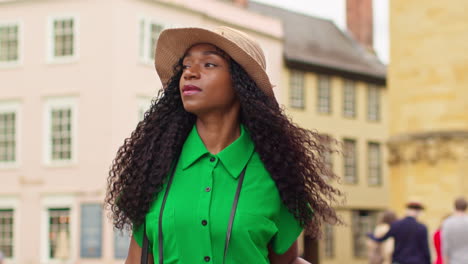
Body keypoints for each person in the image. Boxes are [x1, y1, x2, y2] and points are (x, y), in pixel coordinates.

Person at [105, 26, 342, 264]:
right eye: (186, 66)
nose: (190, 73)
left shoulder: (278, 173)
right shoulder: (153, 168)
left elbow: (287, 261)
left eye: (209, 64)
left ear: (241, 82)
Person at [442, 197, 468, 264]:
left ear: (454, 207)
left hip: (453, 261)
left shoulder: (447, 223)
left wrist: (445, 261)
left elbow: (446, 246)